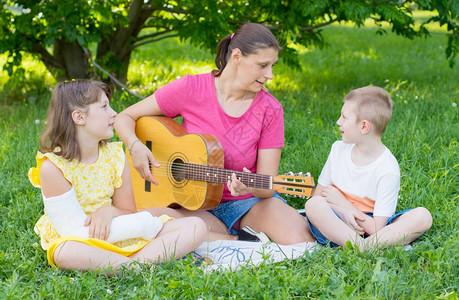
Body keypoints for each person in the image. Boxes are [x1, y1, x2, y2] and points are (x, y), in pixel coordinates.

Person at [115, 23, 315, 245]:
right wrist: (135, 146)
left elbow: (267, 185)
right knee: (143, 222)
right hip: (190, 205)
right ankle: (232, 239)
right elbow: (125, 117)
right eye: (263, 65)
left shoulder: (270, 109)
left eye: (273, 66)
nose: (270, 75)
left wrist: (250, 186)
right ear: (237, 56)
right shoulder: (191, 88)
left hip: (248, 204)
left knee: (301, 239)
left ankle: (225, 238)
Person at [28, 80, 207, 275]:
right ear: (79, 117)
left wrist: (110, 211)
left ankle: (131, 265)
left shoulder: (114, 156)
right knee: (64, 252)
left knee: (196, 226)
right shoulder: (53, 167)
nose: (114, 113)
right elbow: (72, 231)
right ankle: (138, 263)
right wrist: (144, 226)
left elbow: (129, 211)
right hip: (82, 241)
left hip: (117, 229)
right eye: (104, 107)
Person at [304, 86, 432, 250]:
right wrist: (342, 211)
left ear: (364, 127)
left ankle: (363, 247)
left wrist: (346, 205)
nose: (338, 122)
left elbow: (377, 230)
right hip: (335, 225)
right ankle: (365, 248)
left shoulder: (387, 168)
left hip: (372, 229)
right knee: (313, 205)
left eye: (344, 117)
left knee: (423, 216)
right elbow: (317, 196)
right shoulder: (337, 149)